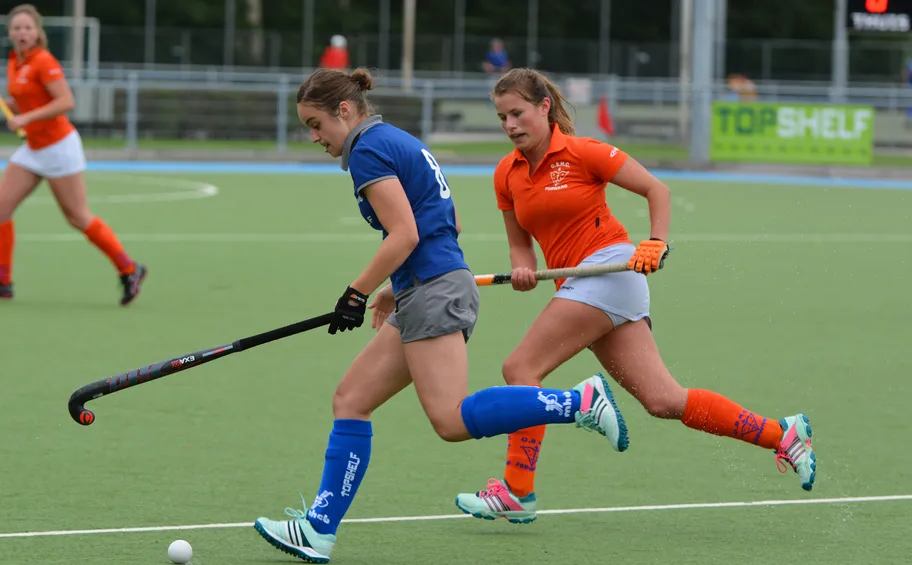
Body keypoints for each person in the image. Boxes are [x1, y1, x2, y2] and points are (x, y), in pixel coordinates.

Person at [252, 67, 630, 564]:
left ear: (344, 110)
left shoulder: (367, 150)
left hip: (435, 290)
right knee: (351, 399)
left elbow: (405, 233)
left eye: (316, 124)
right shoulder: (392, 139)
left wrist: (355, 293)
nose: (315, 137)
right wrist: (394, 287)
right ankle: (319, 529)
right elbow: (441, 225)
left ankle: (576, 402)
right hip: (425, 286)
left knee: (450, 419)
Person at [451, 68, 816, 525]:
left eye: (517, 113)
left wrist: (656, 241)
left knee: (520, 368)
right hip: (578, 284)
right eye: (502, 117)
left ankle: (517, 491)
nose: (510, 125)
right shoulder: (506, 172)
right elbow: (520, 244)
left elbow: (654, 189)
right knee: (664, 401)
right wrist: (523, 269)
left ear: (544, 107)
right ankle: (782, 435)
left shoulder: (583, 152)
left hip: (610, 269)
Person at [0, 3, 147, 306]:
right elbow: (24, 103)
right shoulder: (15, 62)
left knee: (77, 217)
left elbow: (65, 101)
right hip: (33, 148)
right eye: (17, 28)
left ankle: (130, 269)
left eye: (27, 27)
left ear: (37, 32)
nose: (22, 33)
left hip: (59, 147)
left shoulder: (43, 61)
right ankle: (2, 281)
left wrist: (25, 118)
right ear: (10, 33)